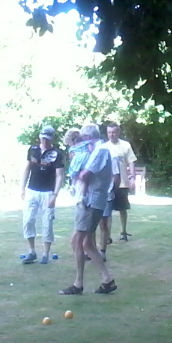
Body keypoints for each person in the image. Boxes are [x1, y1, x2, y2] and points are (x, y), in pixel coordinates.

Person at [59, 124, 117, 295]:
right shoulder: (96, 150)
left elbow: (85, 174)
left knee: (76, 241)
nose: (80, 142)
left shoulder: (100, 151)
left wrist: (75, 172)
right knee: (88, 243)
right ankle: (107, 280)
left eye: (82, 138)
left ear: (88, 137)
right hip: (93, 202)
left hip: (90, 203)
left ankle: (78, 285)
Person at [20, 125, 66, 264]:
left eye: (48, 139)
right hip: (32, 190)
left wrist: (55, 194)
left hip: (48, 192)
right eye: (43, 138)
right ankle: (32, 251)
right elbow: (27, 168)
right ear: (40, 136)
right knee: (28, 220)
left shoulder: (57, 154)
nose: (45, 141)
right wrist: (22, 187)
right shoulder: (33, 150)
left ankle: (46, 253)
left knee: (47, 223)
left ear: (52, 139)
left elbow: (60, 176)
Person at [102, 123, 137, 245]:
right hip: (108, 184)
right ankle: (108, 235)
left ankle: (123, 232)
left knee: (122, 208)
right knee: (108, 211)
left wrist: (132, 177)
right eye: (109, 132)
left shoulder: (125, 145)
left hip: (122, 183)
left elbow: (131, 162)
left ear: (118, 133)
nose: (112, 134)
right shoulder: (104, 147)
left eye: (114, 132)